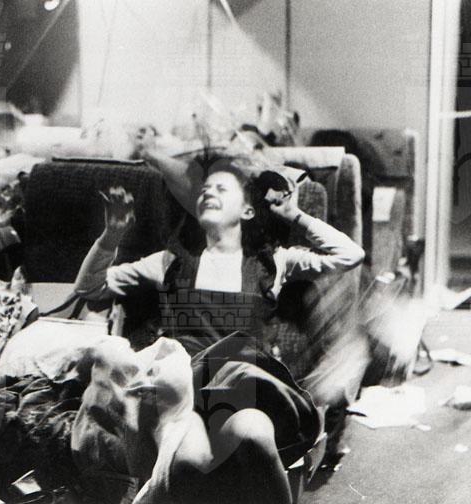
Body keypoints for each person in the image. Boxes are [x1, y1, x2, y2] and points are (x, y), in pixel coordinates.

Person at [74, 156, 364, 504]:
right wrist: (112, 235)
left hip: (243, 386)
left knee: (254, 432)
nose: (208, 192)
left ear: (247, 210)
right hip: (185, 391)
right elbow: (90, 288)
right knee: (189, 459)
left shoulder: (274, 261)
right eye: (204, 189)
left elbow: (350, 255)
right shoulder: (169, 262)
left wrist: (294, 215)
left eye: (222, 188)